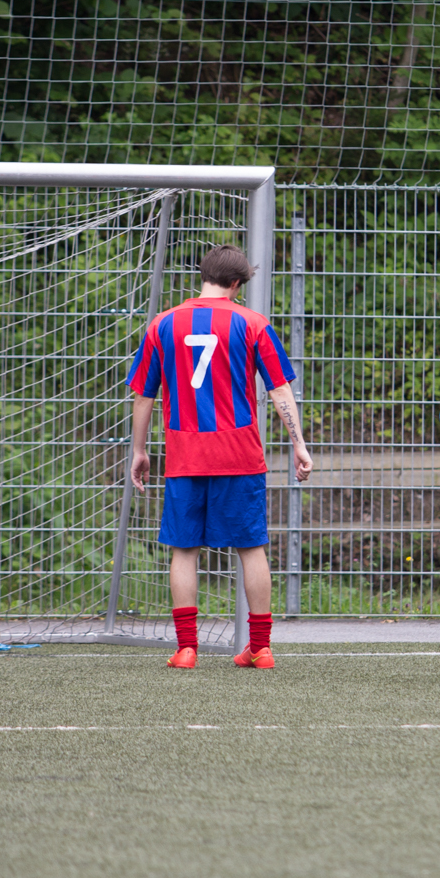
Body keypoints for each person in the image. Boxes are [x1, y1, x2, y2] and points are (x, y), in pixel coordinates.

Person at [127, 244, 312, 669]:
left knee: (184, 549)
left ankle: (186, 649)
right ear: (236, 284)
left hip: (184, 452)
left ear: (204, 275)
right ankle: (260, 648)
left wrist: (139, 450)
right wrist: (298, 443)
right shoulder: (252, 323)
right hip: (239, 452)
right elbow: (280, 390)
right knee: (251, 546)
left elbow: (143, 397)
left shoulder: (163, 323)